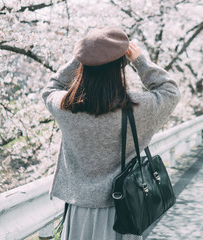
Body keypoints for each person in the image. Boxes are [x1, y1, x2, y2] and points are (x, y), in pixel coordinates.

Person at [41, 26, 180, 240]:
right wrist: (140, 60)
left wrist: (83, 57)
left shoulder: (65, 106)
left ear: (83, 66)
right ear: (120, 67)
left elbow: (52, 87)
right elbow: (170, 91)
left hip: (79, 210)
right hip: (124, 210)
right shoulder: (135, 107)